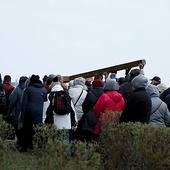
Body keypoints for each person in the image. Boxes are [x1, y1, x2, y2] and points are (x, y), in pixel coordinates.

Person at [20, 74, 47, 152]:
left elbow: (24, 103)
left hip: (29, 112)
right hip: (40, 113)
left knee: (27, 130)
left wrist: (22, 115)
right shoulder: (43, 90)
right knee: (38, 130)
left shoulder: (28, 89)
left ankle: (25, 147)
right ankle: (38, 146)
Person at [7, 76, 28, 144]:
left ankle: (19, 142)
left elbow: (12, 102)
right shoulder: (28, 90)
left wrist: (9, 112)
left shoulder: (17, 90)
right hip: (27, 113)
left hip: (18, 112)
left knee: (17, 128)